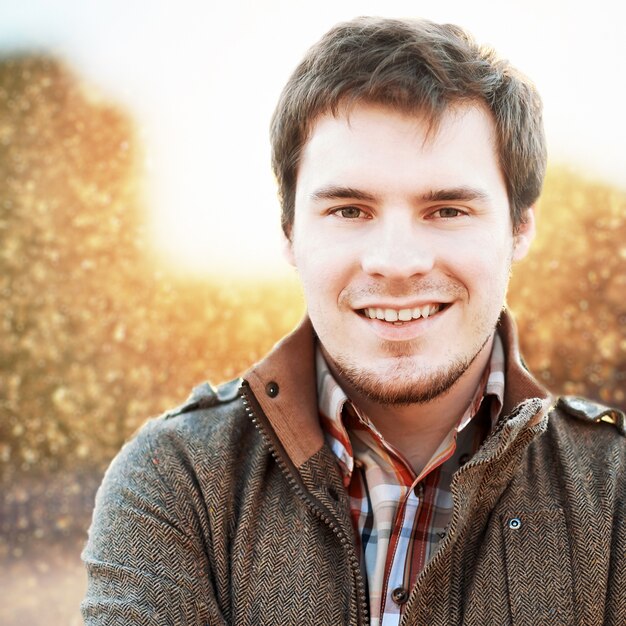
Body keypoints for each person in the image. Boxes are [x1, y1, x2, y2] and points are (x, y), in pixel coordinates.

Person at [82, 16, 626, 626]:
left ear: (520, 227)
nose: (395, 262)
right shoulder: (175, 480)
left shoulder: (616, 492)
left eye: (446, 209)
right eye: (349, 210)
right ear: (290, 233)